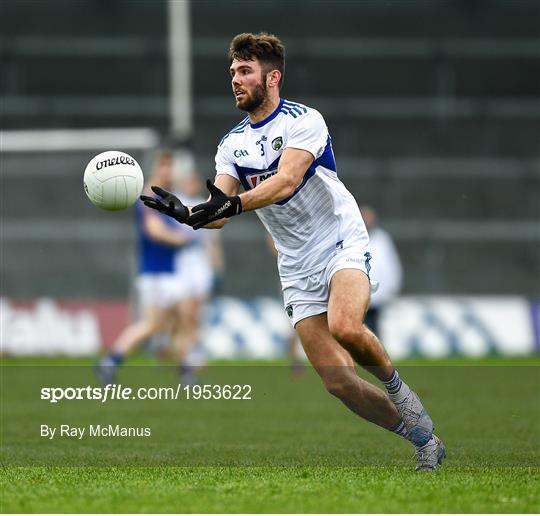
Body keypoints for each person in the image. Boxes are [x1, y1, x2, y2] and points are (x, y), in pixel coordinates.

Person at [141, 33, 445, 471]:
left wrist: (232, 204)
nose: (236, 80)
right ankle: (423, 439)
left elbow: (285, 181)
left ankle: (403, 395)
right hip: (296, 262)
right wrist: (189, 214)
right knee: (338, 380)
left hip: (339, 237)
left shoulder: (304, 121)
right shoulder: (232, 145)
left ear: (273, 76)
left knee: (345, 326)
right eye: (233, 72)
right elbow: (221, 209)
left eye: (245, 71)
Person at [96, 151, 218, 386]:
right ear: (157, 169)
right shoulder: (149, 198)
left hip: (170, 272)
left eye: (171, 167)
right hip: (157, 273)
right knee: (154, 324)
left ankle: (185, 371)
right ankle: (110, 361)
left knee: (183, 318)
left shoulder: (165, 199)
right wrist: (184, 238)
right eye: (166, 167)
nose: (170, 172)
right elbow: (155, 231)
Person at [360, 205, 403, 337]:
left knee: (373, 325)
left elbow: (391, 263)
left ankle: (371, 354)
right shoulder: (353, 237)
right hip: (358, 292)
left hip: (378, 295)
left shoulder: (382, 238)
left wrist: (393, 285)